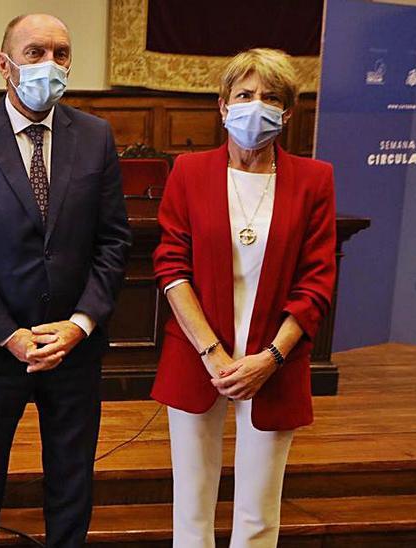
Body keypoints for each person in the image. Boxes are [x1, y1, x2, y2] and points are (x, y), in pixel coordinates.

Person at [0, 13, 131, 547]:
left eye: (61, 53)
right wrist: (11, 336)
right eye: (36, 52)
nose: (51, 64)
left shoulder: (95, 136)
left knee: (71, 485)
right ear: (5, 65)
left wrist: (79, 324)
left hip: (74, 350)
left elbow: (114, 242)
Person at [151, 48, 336, 548]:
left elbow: (317, 281)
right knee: (191, 507)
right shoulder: (188, 171)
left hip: (274, 362)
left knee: (258, 511)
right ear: (223, 105)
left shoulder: (315, 180)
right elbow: (171, 266)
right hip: (197, 357)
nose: (257, 106)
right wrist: (211, 351)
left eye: (271, 98)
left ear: (289, 111)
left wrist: (270, 358)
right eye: (246, 95)